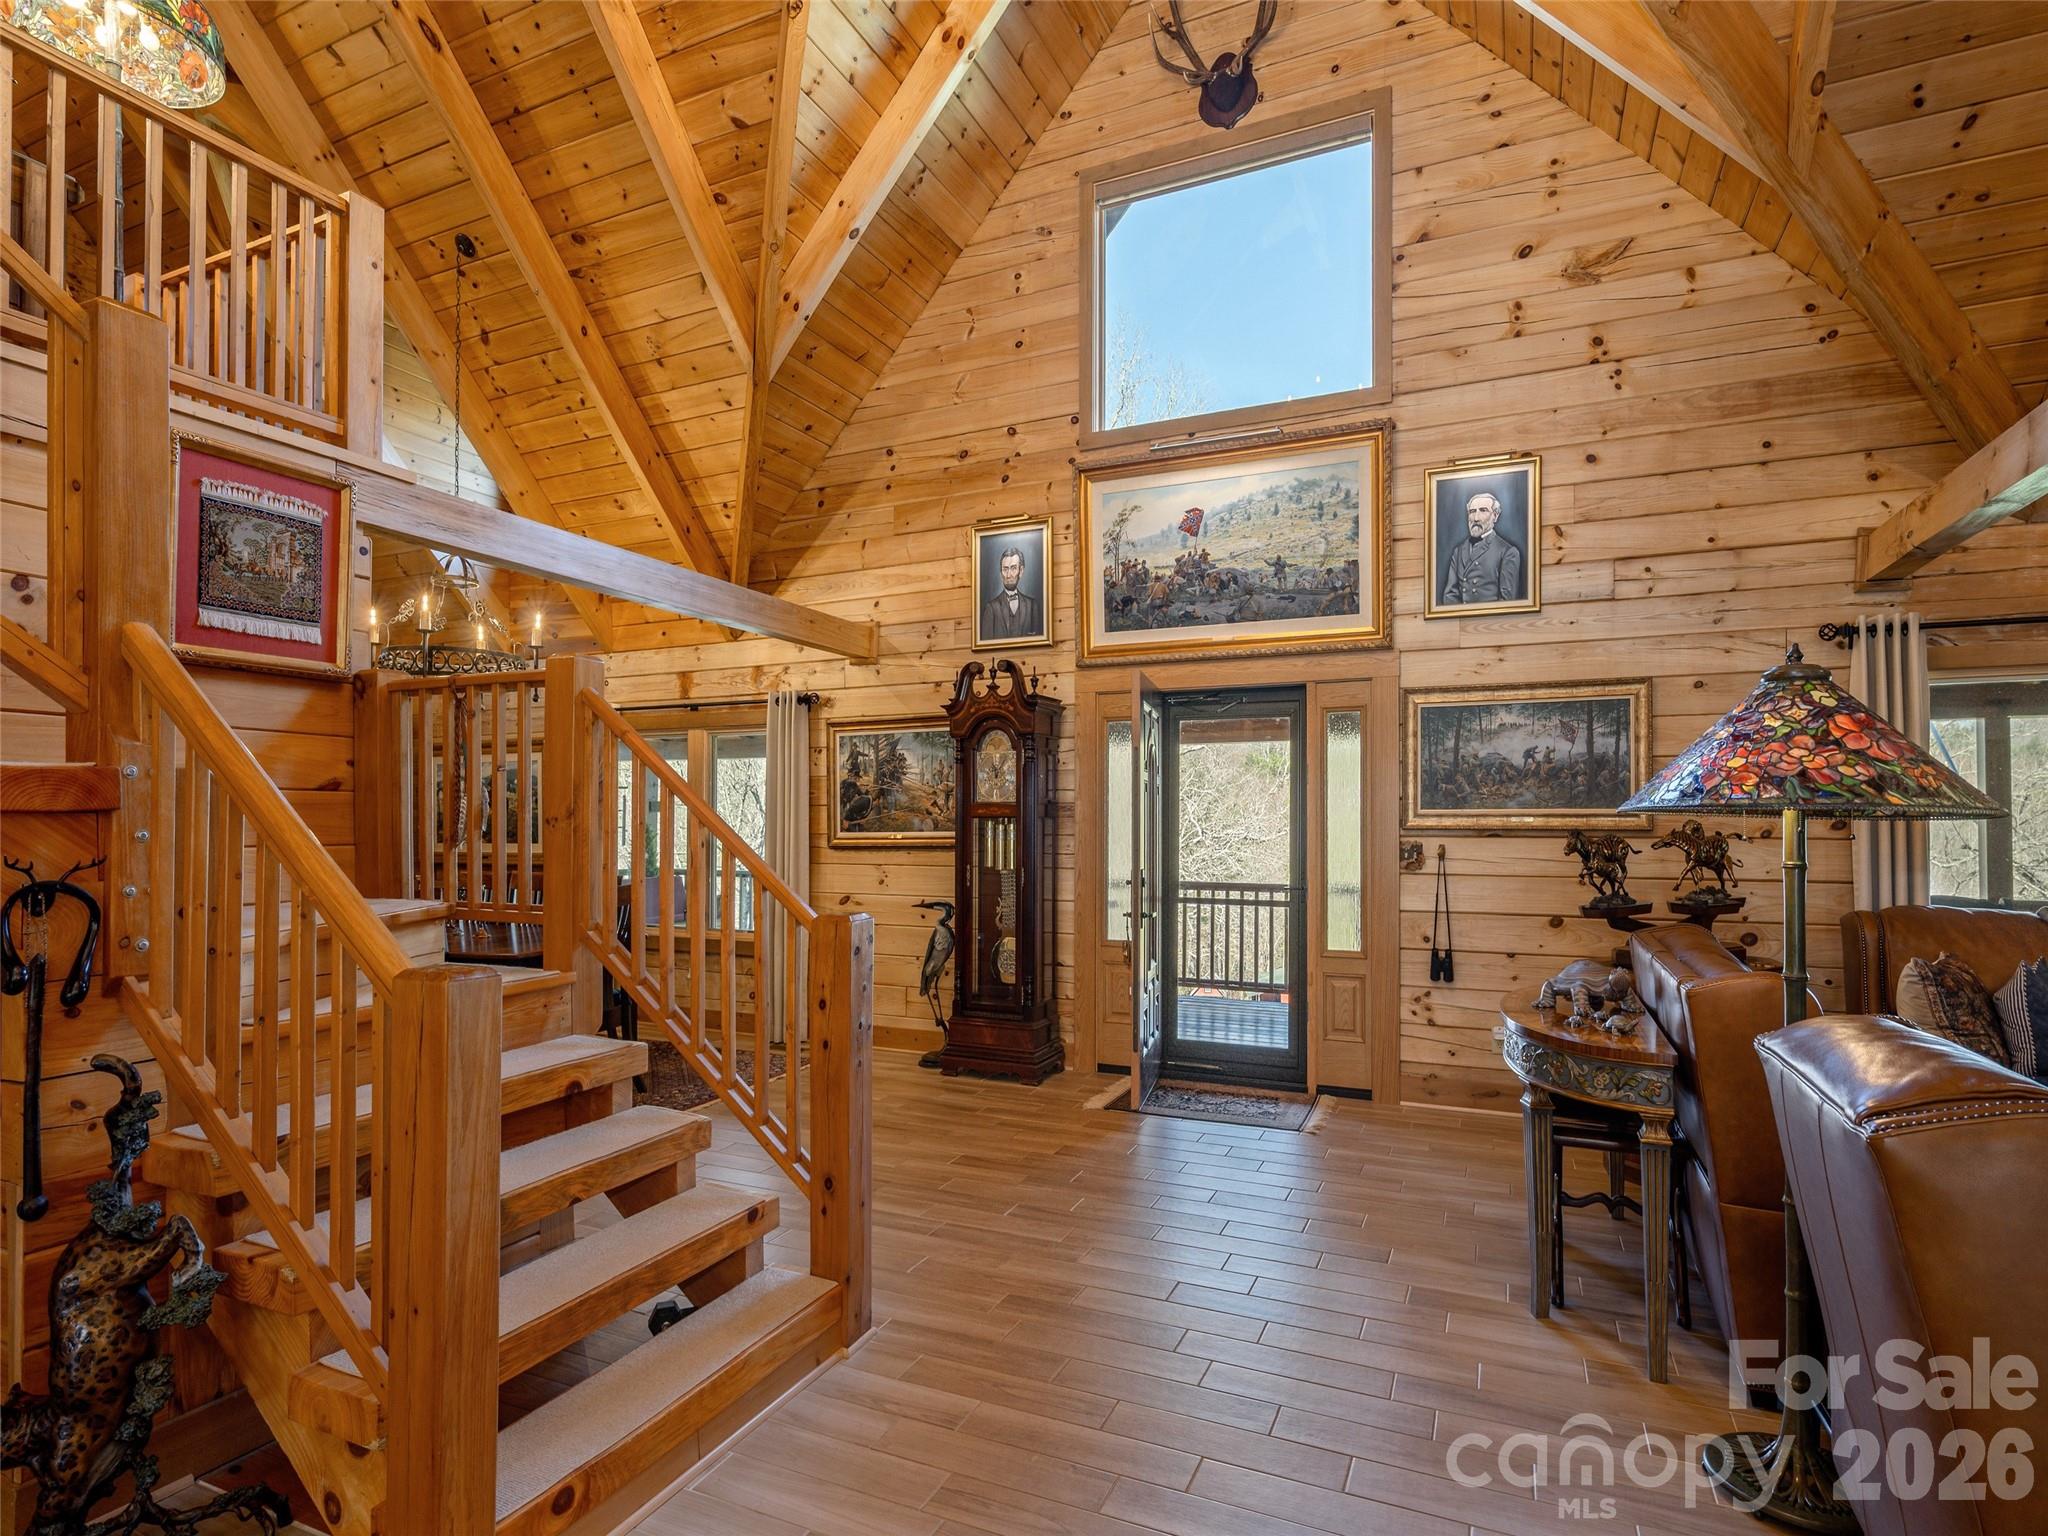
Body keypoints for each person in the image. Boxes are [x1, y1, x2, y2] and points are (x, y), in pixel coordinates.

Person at [1441, 491, 1524, 606]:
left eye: (1483, 510)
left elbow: (1507, 602)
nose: (1476, 518)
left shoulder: (1508, 552)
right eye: (1472, 511)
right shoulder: (1458, 551)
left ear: (1495, 516)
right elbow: (1450, 595)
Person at [981, 544, 1041, 640]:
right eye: (1005, 569)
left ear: (1021, 571)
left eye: (1013, 568)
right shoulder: (991, 608)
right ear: (1001, 573)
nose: (1008, 575)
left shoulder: (1032, 606)